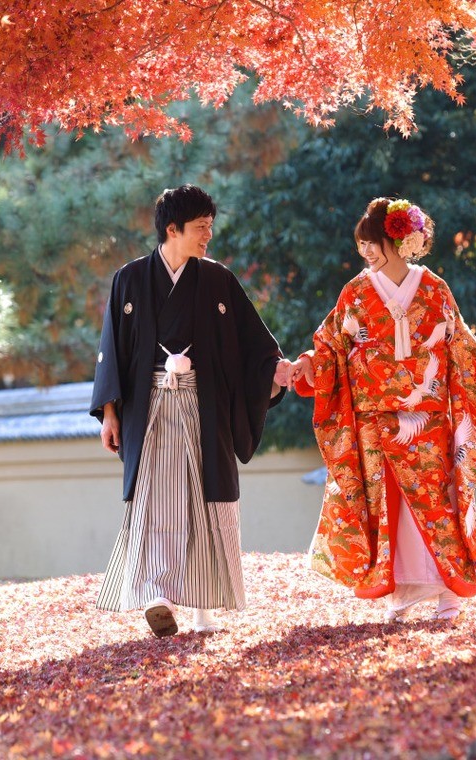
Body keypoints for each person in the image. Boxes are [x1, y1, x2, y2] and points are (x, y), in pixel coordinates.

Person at [282, 197, 476, 622]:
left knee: (436, 500)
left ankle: (447, 594)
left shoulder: (434, 288)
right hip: (371, 419)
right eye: (361, 245)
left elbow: (462, 344)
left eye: (372, 243)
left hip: (427, 420)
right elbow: (329, 344)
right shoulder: (356, 292)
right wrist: (309, 363)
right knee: (386, 504)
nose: (365, 252)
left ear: (397, 239)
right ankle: (401, 591)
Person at [90, 184, 287, 637]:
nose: (208, 237)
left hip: (206, 405)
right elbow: (111, 352)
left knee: (204, 499)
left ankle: (205, 610)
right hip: (149, 404)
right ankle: (157, 595)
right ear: (172, 229)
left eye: (211, 228)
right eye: (201, 228)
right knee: (156, 498)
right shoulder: (130, 279)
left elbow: (255, 343)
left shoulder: (217, 280)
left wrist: (275, 371)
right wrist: (111, 413)